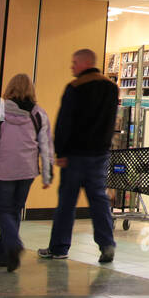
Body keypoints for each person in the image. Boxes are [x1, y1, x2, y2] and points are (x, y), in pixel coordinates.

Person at [39, 49, 120, 264]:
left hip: (75, 154)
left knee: (67, 202)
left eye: (74, 62)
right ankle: (107, 244)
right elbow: (111, 121)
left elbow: (65, 122)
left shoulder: (74, 88)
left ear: (85, 63)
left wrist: (61, 152)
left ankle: (59, 247)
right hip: (100, 153)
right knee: (99, 199)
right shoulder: (112, 88)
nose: (71, 67)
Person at [0, 73, 53, 272]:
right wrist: (47, 174)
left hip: (3, 170)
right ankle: (5, 257)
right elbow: (46, 146)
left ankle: (13, 246)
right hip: (27, 171)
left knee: (3, 211)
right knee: (15, 211)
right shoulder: (38, 114)